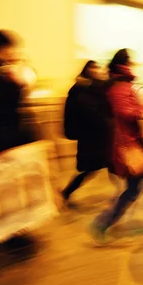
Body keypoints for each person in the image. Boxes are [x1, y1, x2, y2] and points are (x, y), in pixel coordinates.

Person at [89, 49, 143, 244]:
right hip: (127, 144)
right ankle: (102, 222)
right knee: (135, 186)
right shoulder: (120, 86)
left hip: (131, 142)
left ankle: (109, 215)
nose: (134, 64)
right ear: (124, 64)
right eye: (132, 61)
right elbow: (125, 111)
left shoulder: (122, 83)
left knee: (140, 183)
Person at [61, 60, 115, 207]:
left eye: (98, 66)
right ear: (87, 70)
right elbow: (88, 113)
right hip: (90, 136)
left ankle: (120, 193)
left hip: (99, 135)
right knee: (90, 168)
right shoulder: (81, 88)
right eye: (94, 67)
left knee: (108, 164)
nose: (98, 70)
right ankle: (66, 192)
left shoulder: (96, 87)